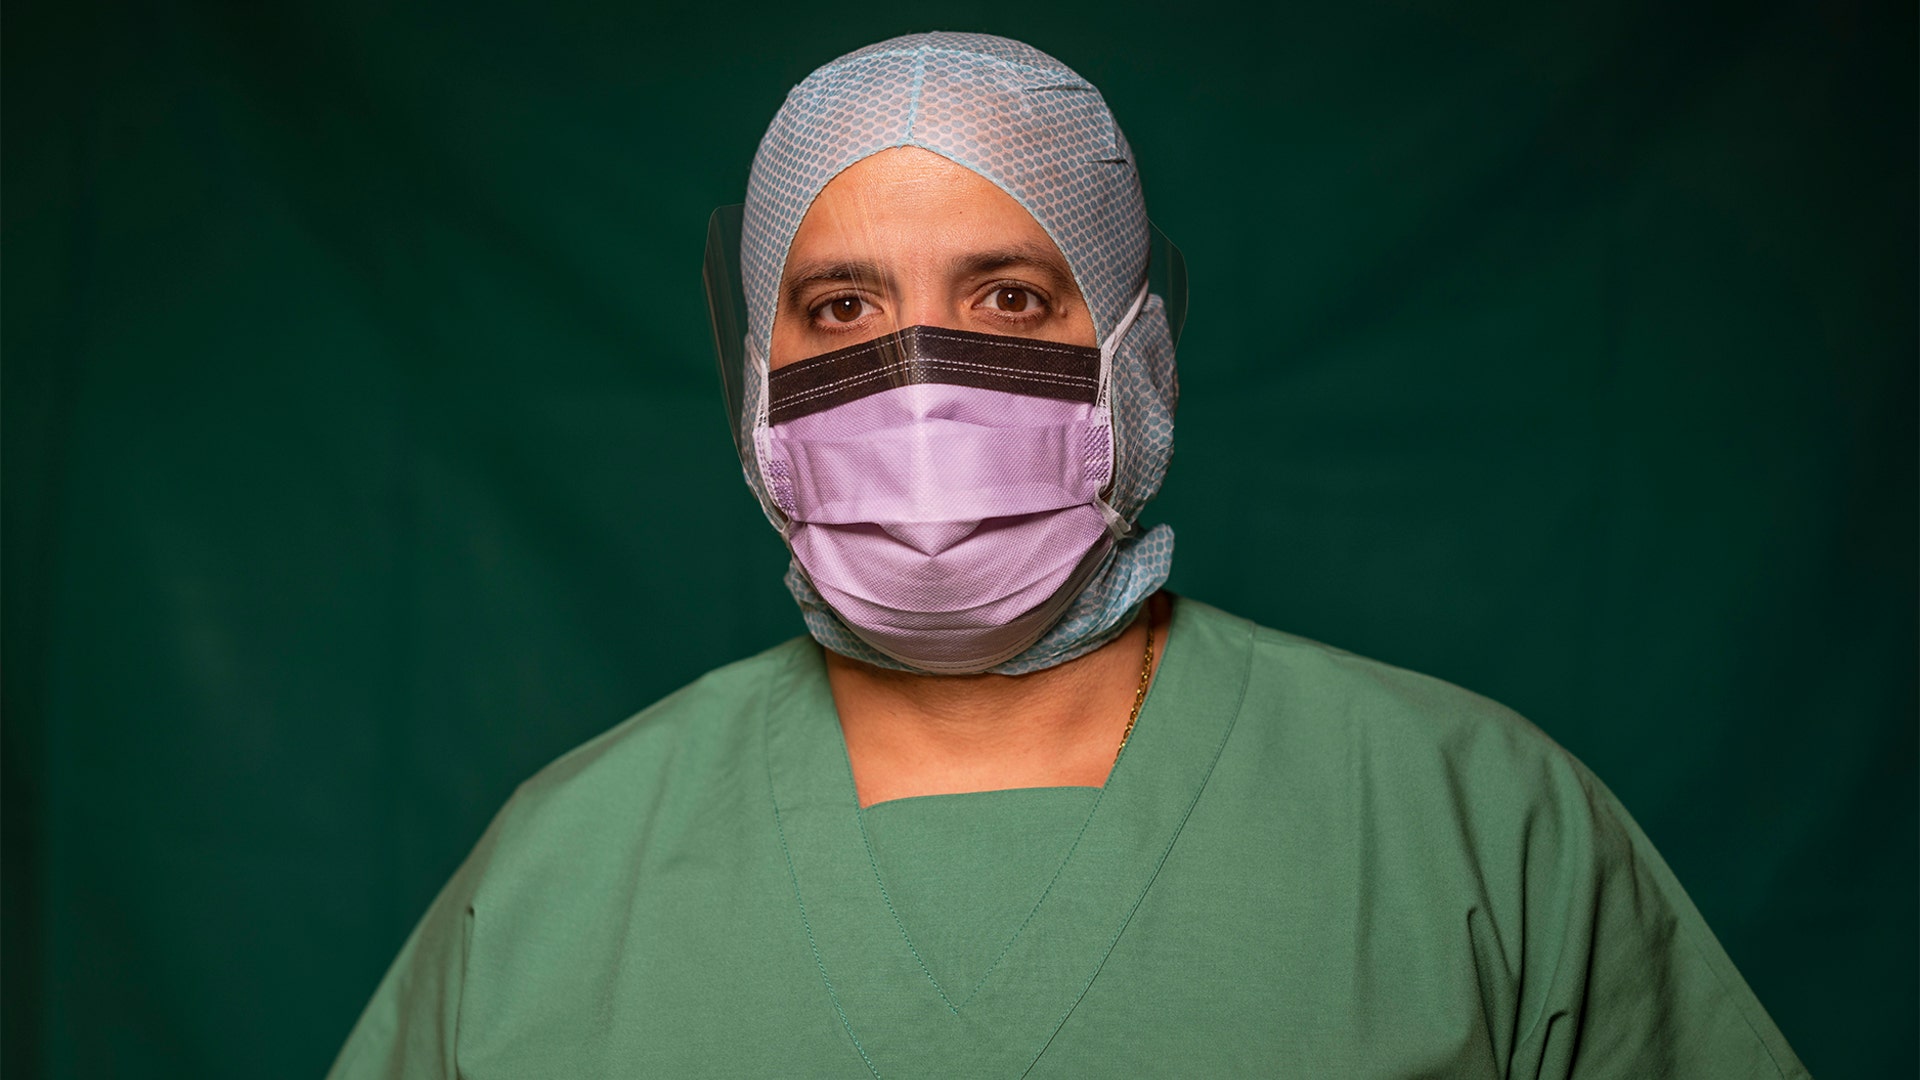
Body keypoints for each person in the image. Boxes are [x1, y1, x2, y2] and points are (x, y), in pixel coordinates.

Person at [328, 32, 1809, 1078]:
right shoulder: (559, 873)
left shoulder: (1477, 828)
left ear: (1135, 364)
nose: (920, 380)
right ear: (759, 389)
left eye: (1010, 298)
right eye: (840, 309)